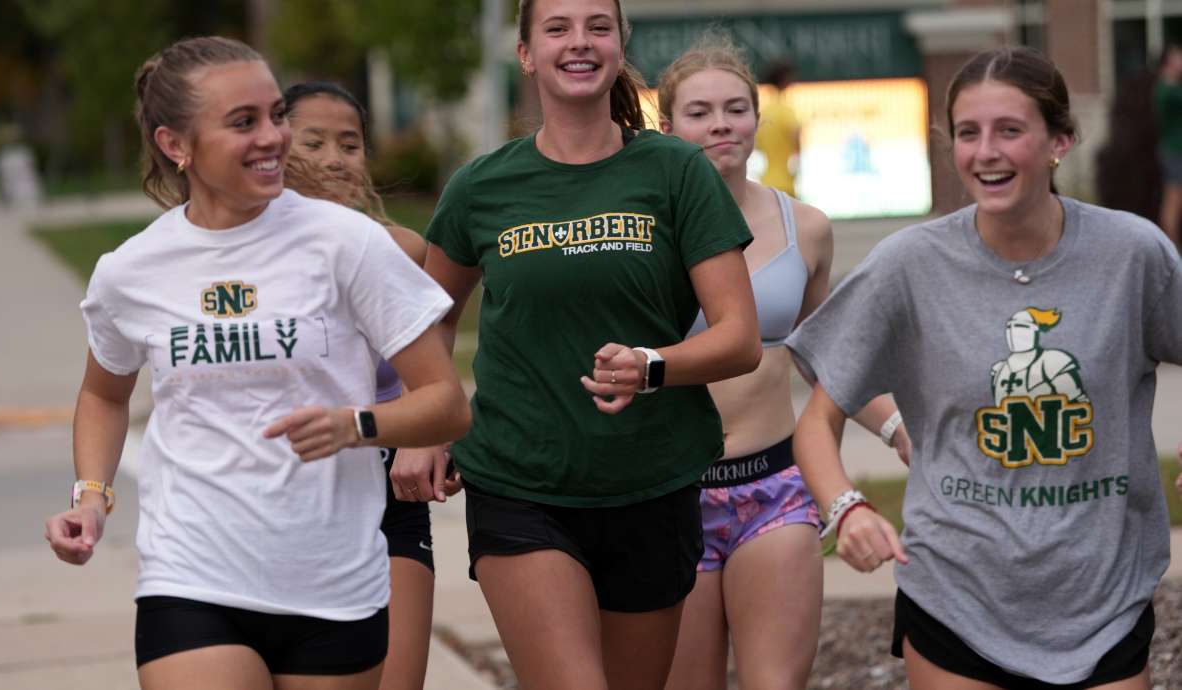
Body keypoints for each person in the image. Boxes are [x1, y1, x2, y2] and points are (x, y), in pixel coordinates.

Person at [41, 36, 470, 690]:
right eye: (243, 122)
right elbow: (104, 393)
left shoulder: (348, 244)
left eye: (274, 115)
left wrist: (357, 425)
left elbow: (447, 403)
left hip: (331, 581)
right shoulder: (132, 270)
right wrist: (92, 497)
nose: (272, 137)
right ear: (175, 144)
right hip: (190, 573)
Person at [391, 1, 762, 688]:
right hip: (519, 483)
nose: (579, 42)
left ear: (620, 44)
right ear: (526, 53)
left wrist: (652, 366)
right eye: (557, 28)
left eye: (598, 26)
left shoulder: (678, 171)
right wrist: (428, 421)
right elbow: (427, 318)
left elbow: (740, 338)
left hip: (652, 481)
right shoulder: (481, 186)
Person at [789, 46, 1182, 689]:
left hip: (1104, 598)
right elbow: (817, 420)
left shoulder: (1131, 255)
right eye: (968, 133)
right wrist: (847, 508)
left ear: (1059, 141)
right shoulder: (909, 265)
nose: (985, 152)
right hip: (956, 600)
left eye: (1010, 130)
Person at [654, 36, 909, 690]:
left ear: (757, 119)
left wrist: (898, 428)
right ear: (667, 126)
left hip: (774, 488)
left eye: (735, 109)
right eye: (700, 112)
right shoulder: (644, 234)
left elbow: (826, 356)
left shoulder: (806, 228)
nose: (720, 125)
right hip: (669, 494)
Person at [282, 80, 449, 690]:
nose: (335, 159)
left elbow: (434, 377)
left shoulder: (401, 250)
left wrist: (426, 437)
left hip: (385, 493)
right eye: (314, 142)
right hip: (283, 498)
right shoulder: (247, 260)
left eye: (350, 145)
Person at [755, 60, 801, 196]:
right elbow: (796, 140)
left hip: (765, 183)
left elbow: (757, 146)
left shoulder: (764, 112)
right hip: (785, 185)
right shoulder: (786, 112)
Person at [1155, 43, 1182, 250]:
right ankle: (1171, 248)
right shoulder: (1167, 89)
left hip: (1175, 150)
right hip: (1174, 151)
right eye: (1177, 57)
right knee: (1173, 200)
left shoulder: (1173, 87)